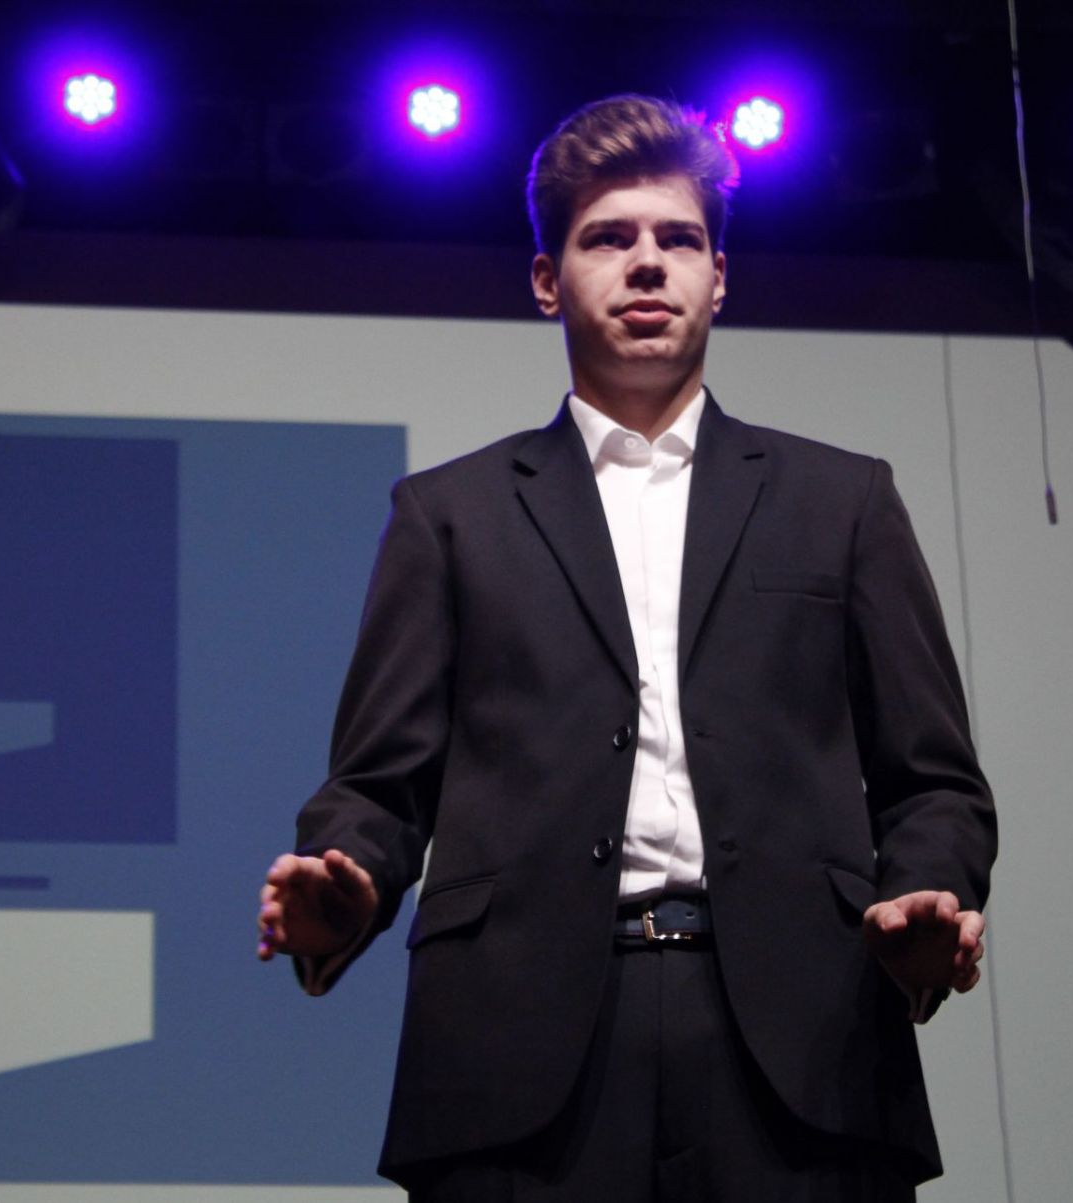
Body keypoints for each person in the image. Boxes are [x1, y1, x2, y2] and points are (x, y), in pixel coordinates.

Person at [257, 94, 996, 1202]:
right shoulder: (449, 515)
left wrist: (927, 895)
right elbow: (378, 783)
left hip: (808, 1042)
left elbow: (933, 780)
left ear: (719, 276)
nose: (648, 263)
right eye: (608, 238)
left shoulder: (843, 500)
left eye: (679, 239)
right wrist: (345, 877)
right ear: (547, 279)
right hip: (514, 1046)